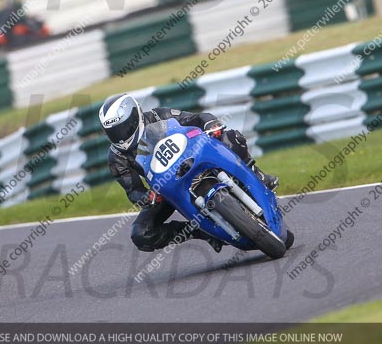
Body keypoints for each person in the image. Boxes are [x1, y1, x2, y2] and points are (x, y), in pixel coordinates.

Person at [99, 93, 279, 254]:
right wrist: (148, 197)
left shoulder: (158, 115)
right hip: (165, 188)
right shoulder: (117, 157)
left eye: (123, 128)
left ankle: (258, 175)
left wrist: (211, 124)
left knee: (231, 137)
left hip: (193, 157)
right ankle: (202, 232)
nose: (120, 136)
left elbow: (197, 118)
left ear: (134, 115)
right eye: (113, 132)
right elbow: (133, 190)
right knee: (141, 233)